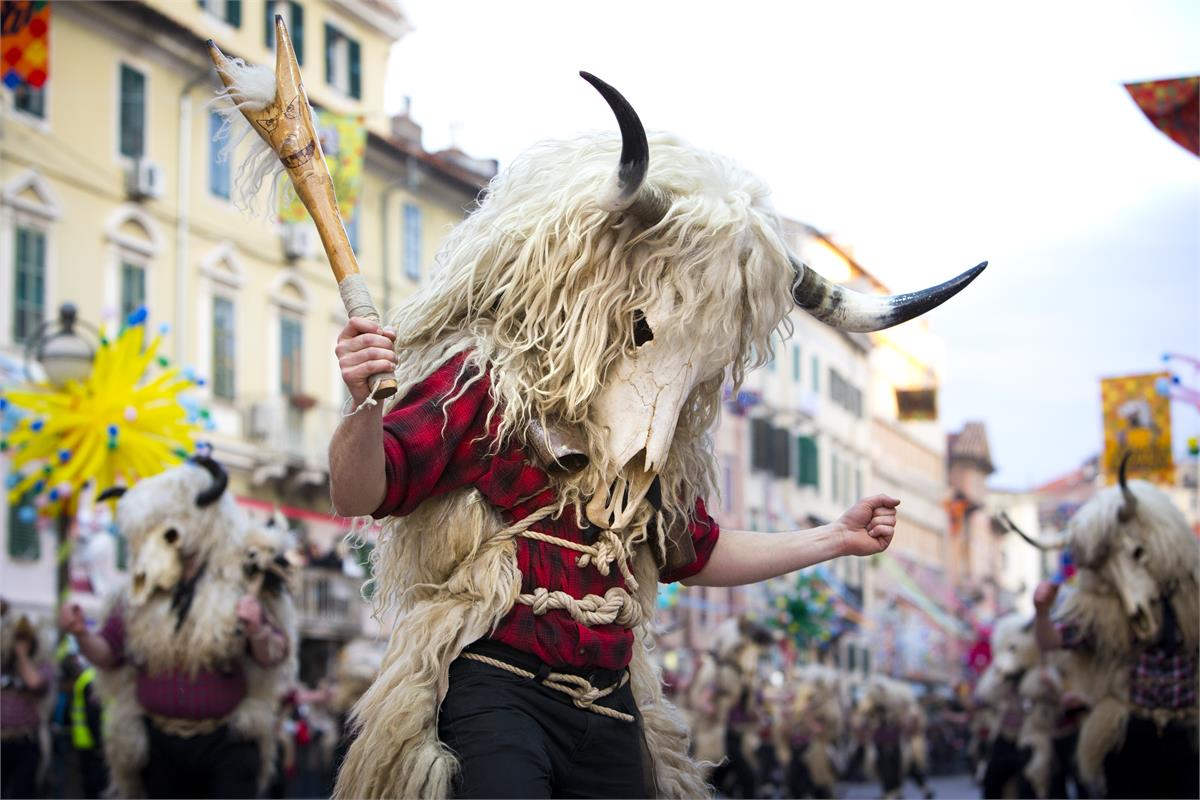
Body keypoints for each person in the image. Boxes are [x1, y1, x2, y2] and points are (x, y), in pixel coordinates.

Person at [327, 71, 981, 799]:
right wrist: (360, 406)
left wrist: (835, 538)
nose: (659, 421)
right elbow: (364, 487)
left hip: (611, 705)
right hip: (495, 688)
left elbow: (693, 553)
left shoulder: (664, 447)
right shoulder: (487, 385)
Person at [59, 458, 297, 799]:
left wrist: (258, 627)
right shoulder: (137, 594)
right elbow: (109, 655)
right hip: (159, 743)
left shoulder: (240, 583)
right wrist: (81, 633)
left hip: (226, 741)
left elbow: (273, 656)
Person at [1, 603, 53, 800]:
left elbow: (35, 684)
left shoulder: (42, 666)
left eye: (25, 639)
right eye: (17, 638)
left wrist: (22, 655)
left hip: (26, 740)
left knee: (23, 792)